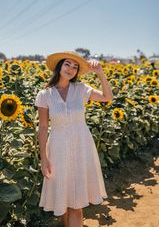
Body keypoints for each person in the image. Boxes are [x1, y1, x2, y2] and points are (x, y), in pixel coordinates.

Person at [35, 51, 113, 227]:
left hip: (82, 146)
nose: (71, 69)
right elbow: (43, 127)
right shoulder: (44, 95)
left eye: (75, 66)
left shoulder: (81, 89)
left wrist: (100, 72)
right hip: (57, 149)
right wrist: (43, 158)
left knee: (76, 203)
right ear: (59, 66)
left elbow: (107, 97)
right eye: (67, 64)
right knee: (64, 201)